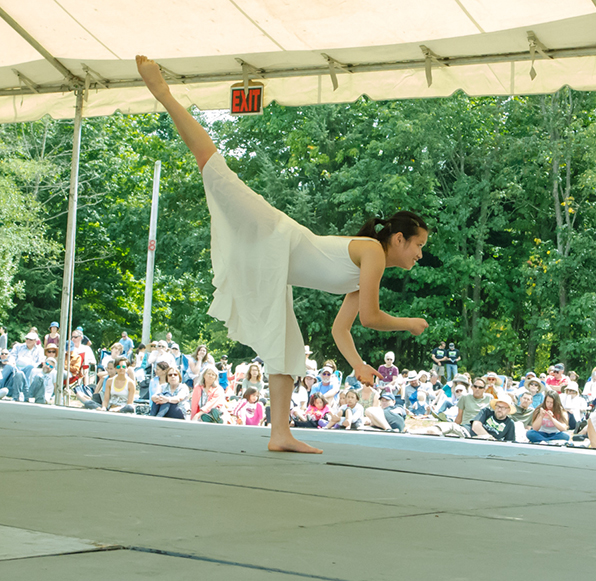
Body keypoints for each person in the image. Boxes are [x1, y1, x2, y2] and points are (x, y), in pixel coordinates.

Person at [138, 55, 429, 454]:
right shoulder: (373, 253)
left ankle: (280, 434)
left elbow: (342, 329)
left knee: (287, 353)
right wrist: (409, 323)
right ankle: (163, 94)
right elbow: (372, 318)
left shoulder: (368, 268)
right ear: (398, 239)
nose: (419, 255)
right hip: (276, 235)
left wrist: (357, 364)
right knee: (215, 168)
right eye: (419, 245)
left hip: (277, 266)